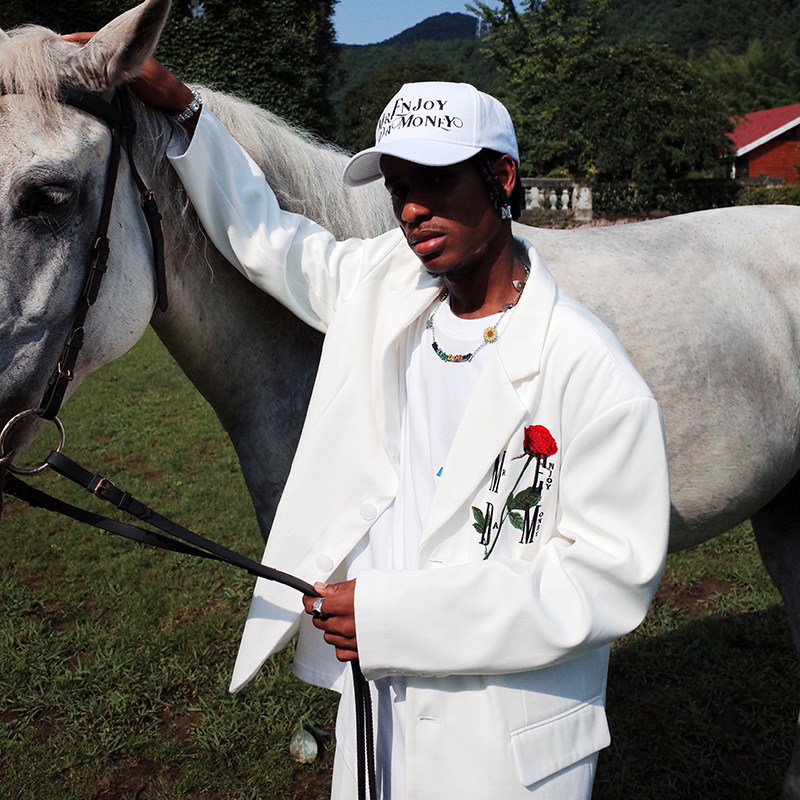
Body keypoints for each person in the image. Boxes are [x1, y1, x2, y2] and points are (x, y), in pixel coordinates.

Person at [122, 55, 671, 799]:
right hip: (379, 706)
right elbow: (269, 240)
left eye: (438, 181)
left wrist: (393, 616)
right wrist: (188, 115)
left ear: (503, 179)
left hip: (503, 740)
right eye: (400, 188)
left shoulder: (591, 372)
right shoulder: (382, 286)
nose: (412, 209)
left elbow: (605, 582)